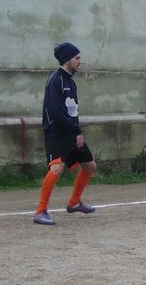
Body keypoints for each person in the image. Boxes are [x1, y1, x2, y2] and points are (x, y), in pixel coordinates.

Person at [32, 42, 98, 225]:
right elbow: (55, 112)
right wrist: (74, 131)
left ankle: (74, 202)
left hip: (71, 132)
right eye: (77, 58)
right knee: (56, 169)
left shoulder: (71, 81)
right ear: (67, 59)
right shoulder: (56, 80)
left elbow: (73, 110)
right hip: (56, 132)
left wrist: (77, 131)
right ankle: (40, 211)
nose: (80, 61)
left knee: (90, 166)